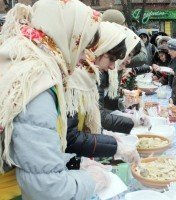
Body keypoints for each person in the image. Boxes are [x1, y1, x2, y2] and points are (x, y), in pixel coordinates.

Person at [0, 0, 110, 199]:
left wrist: (72, 162)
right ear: (67, 36)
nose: (86, 57)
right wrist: (91, 180)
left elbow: (30, 151)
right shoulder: (37, 80)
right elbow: (47, 189)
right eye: (83, 46)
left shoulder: (21, 58)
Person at [66, 22, 141, 161]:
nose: (113, 66)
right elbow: (69, 137)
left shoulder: (88, 76)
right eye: (112, 59)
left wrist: (121, 105)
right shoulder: (74, 79)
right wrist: (113, 145)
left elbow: (96, 110)